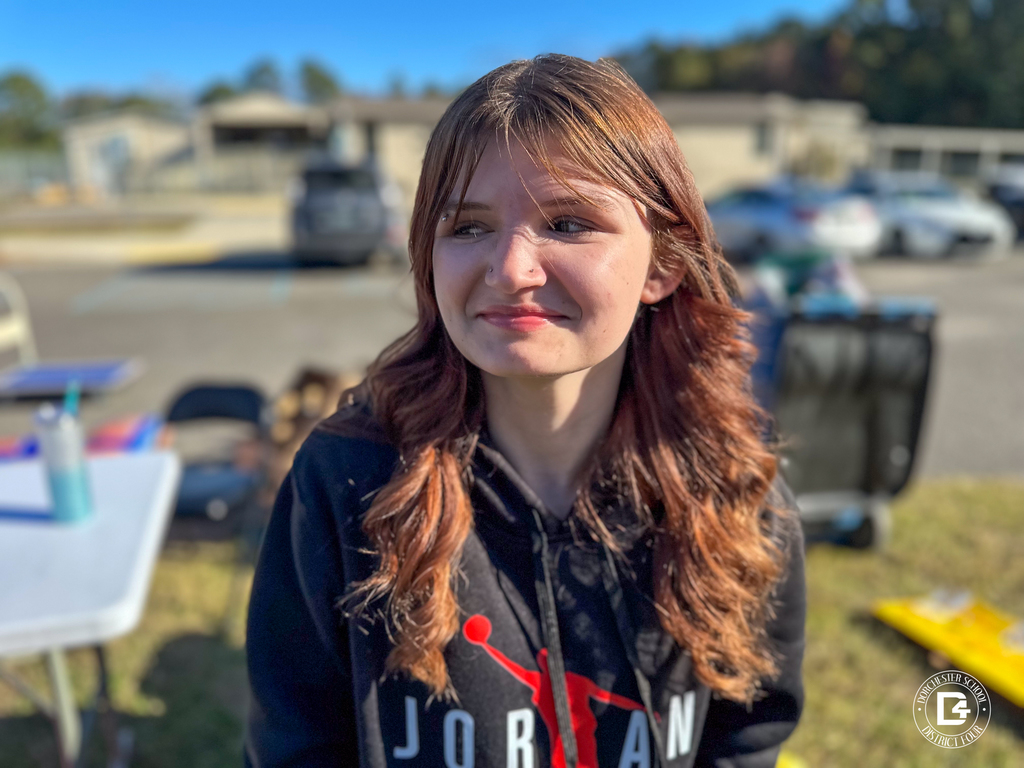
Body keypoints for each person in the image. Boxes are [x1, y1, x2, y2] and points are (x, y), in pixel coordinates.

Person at [244, 54, 806, 768]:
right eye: (469, 227)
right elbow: (296, 745)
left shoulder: (738, 495)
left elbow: (749, 734)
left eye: (569, 223)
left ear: (663, 264)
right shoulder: (346, 482)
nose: (511, 268)